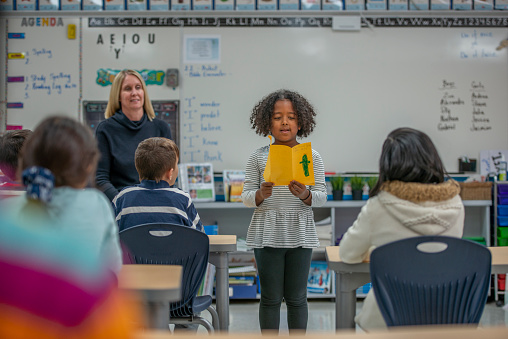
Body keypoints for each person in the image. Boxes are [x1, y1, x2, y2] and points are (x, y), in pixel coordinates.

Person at [339, 127, 465, 332]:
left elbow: (347, 254)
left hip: (388, 317)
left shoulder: (379, 206)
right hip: (444, 315)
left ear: (388, 165)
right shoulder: (456, 204)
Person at [240, 89, 327, 333]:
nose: (284, 122)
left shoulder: (311, 156)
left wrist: (305, 195)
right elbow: (246, 197)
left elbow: (321, 196)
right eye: (277, 117)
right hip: (267, 233)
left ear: (301, 122)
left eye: (291, 116)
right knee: (270, 298)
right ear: (267, 122)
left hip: (300, 234)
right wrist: (260, 194)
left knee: (297, 298)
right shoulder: (258, 157)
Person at [0, 116, 123, 276]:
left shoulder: (8, 210)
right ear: (88, 165)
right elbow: (114, 271)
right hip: (83, 297)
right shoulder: (96, 203)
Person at [95, 69, 172, 201]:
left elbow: (169, 174)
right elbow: (100, 178)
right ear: (118, 96)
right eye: (127, 88)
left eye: (138, 87)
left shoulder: (161, 128)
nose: (134, 93)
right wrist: (123, 203)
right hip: (121, 208)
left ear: (144, 92)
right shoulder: (105, 130)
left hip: (156, 205)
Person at [113, 137, 203, 233]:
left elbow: (108, 238)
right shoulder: (182, 199)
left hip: (133, 248)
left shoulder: (122, 198)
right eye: (176, 164)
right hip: (173, 248)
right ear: (170, 173)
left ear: (138, 169)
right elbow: (199, 238)